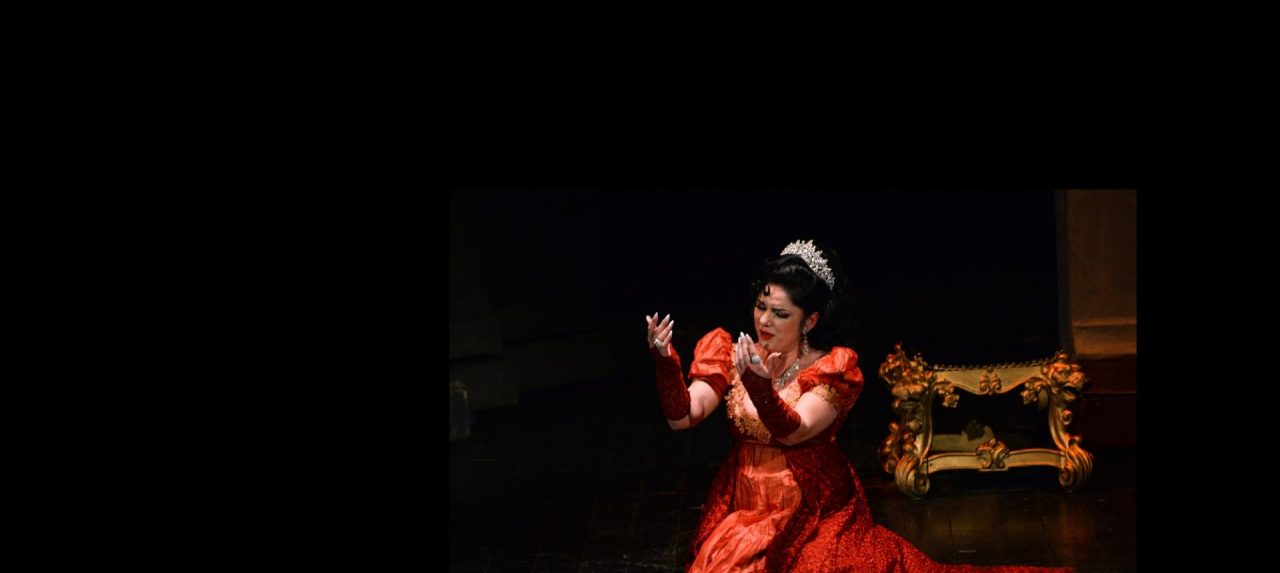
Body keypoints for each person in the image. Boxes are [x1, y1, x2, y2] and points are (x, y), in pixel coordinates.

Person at [646, 240, 1070, 573]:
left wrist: (760, 386)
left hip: (810, 508)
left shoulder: (832, 368)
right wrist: (666, 364)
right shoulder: (732, 352)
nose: (764, 321)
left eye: (780, 313)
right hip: (746, 506)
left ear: (810, 321)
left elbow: (793, 431)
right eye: (760, 306)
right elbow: (683, 417)